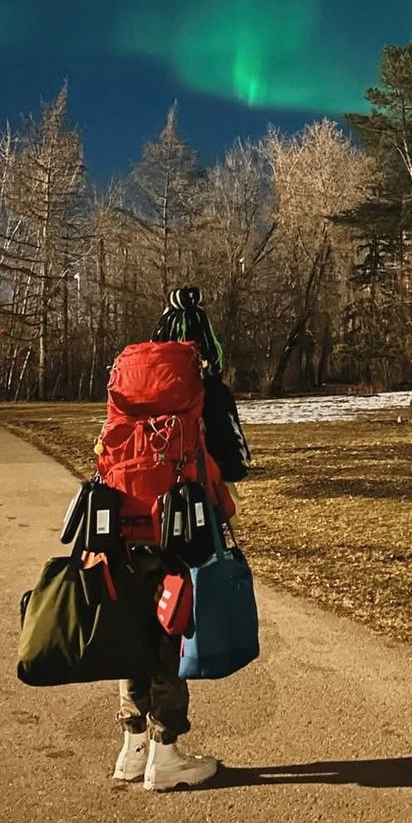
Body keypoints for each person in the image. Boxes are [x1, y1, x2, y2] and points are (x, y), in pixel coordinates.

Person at [103, 287, 251, 791]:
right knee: (170, 638)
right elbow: (234, 464)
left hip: (122, 527)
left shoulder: (130, 392)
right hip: (176, 528)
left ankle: (131, 748)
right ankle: (166, 756)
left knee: (132, 634)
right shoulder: (199, 392)